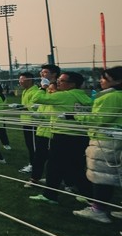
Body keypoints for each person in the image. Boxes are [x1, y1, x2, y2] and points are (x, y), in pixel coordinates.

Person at [29, 71, 93, 204]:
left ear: (72, 84)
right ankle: (90, 196)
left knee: (54, 166)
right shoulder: (84, 97)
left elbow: (37, 98)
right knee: (76, 167)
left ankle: (50, 196)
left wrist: (43, 87)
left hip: (63, 135)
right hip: (80, 136)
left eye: (62, 80)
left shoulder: (64, 95)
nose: (58, 82)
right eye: (58, 79)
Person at [72, 67, 122, 223]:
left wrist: (77, 116)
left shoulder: (112, 96)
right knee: (113, 176)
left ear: (117, 81)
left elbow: (100, 119)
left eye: (105, 78)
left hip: (106, 142)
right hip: (111, 140)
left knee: (102, 177)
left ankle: (98, 210)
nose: (101, 81)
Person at [26, 64, 61, 188]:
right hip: (42, 127)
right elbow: (38, 101)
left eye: (45, 72)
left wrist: (44, 88)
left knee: (55, 158)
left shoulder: (58, 88)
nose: (42, 74)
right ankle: (34, 179)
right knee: (39, 155)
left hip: (54, 128)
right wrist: (37, 113)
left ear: (54, 74)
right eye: (41, 72)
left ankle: (60, 181)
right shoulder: (43, 88)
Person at [15, 72, 38, 173]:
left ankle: (34, 165)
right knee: (29, 145)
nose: (20, 82)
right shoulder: (25, 91)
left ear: (29, 80)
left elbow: (34, 108)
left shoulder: (35, 91)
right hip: (26, 121)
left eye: (22, 80)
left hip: (32, 122)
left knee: (33, 146)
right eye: (19, 80)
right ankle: (32, 163)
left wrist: (20, 107)